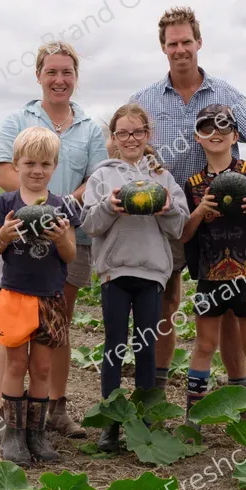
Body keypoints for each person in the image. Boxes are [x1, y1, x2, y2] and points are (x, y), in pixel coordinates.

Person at [129, 7, 246, 390]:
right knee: (165, 302)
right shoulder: (144, 99)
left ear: (199, 42)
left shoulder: (225, 94)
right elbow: (128, 149)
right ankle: (157, 391)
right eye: (172, 43)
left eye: (186, 41)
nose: (180, 49)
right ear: (163, 48)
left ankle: (238, 392)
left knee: (229, 312)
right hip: (168, 219)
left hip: (221, 225)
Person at [0, 41, 108, 439]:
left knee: (58, 324)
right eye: (51, 72)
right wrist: (35, 208)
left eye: (67, 73)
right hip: (20, 236)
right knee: (12, 327)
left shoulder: (91, 127)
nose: (59, 80)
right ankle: (2, 411)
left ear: (76, 77)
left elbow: (95, 179)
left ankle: (54, 409)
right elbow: (5, 173)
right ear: (39, 75)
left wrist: (59, 211)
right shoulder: (17, 119)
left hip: (69, 233)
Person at [81, 104, 188, 452]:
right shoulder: (101, 176)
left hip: (152, 273)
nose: (131, 139)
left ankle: (143, 423)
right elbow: (89, 225)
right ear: (113, 138)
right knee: (114, 347)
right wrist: (109, 207)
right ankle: (110, 422)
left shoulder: (162, 178)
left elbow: (179, 226)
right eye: (123, 133)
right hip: (115, 271)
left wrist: (168, 206)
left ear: (148, 136)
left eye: (138, 132)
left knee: (145, 348)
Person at [181, 105, 246, 422]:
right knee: (204, 345)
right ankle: (193, 416)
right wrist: (199, 211)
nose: (215, 134)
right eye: (207, 128)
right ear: (198, 138)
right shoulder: (193, 183)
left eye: (223, 128)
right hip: (209, 277)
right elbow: (184, 234)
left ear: (235, 135)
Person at [0, 127, 79, 465]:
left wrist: (60, 239)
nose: (37, 170)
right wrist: (6, 236)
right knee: (15, 363)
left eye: (44, 163)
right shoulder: (5, 204)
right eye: (29, 163)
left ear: (54, 166)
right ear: (16, 165)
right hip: (14, 297)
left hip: (50, 299)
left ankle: (36, 435)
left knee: (41, 368)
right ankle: (13, 435)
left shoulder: (62, 207)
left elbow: (70, 255)